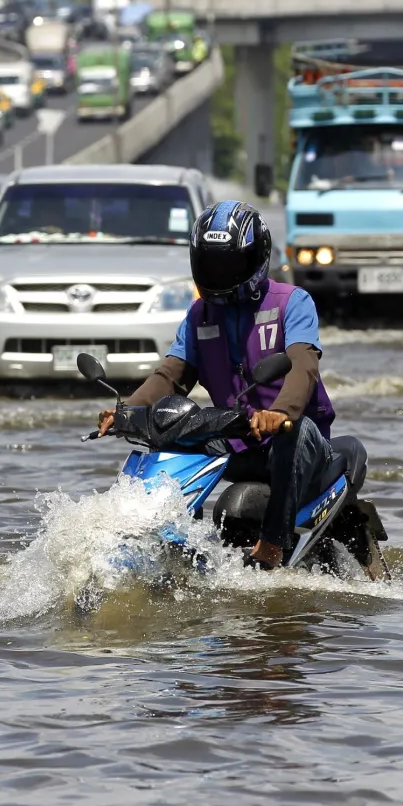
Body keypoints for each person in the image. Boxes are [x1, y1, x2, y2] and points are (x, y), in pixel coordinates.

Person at [97, 201, 339, 572]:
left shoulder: (293, 302)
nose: (220, 274)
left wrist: (280, 413)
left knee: (297, 429)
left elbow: (303, 365)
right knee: (169, 430)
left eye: (230, 264)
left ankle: (273, 544)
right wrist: (127, 412)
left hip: (296, 443)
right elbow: (171, 376)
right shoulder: (199, 315)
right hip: (240, 438)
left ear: (257, 256)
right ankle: (173, 543)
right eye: (211, 264)